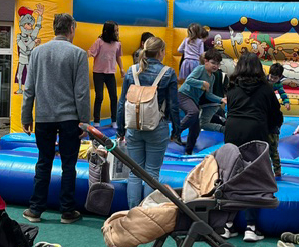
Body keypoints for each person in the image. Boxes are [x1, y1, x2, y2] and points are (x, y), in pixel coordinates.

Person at [21, 13, 90, 225]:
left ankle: (35, 209)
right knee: (69, 164)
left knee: (43, 161)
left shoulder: (37, 52)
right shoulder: (78, 54)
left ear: (54, 28)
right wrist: (85, 121)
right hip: (69, 117)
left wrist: (26, 115)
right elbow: (81, 92)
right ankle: (67, 210)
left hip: (43, 116)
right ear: (71, 29)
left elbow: (29, 88)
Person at [223, 53, 283, 242]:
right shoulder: (265, 89)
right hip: (255, 131)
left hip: (232, 130)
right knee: (253, 177)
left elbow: (230, 109)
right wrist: (269, 127)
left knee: (231, 175)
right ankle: (251, 226)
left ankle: (227, 224)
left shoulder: (232, 86)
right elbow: (276, 116)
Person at [117, 36, 181, 209]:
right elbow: (174, 105)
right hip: (157, 126)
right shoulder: (168, 73)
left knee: (135, 172)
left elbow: (122, 103)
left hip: (134, 126)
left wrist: (121, 129)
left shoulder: (132, 71)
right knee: (152, 173)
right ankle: (147, 213)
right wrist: (177, 131)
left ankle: (133, 211)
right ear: (161, 52)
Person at [177, 48, 226, 155]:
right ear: (206, 61)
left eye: (218, 64)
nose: (215, 66)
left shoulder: (212, 77)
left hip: (193, 99)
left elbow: (208, 94)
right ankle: (176, 132)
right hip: (184, 95)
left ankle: (188, 151)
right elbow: (189, 80)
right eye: (213, 63)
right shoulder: (200, 69)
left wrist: (221, 99)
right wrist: (202, 83)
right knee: (193, 112)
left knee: (196, 128)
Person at [88, 21, 124, 128]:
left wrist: (122, 69)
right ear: (107, 32)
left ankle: (114, 120)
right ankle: (96, 121)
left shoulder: (117, 44)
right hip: (98, 73)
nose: (117, 33)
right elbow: (91, 52)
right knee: (99, 96)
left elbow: (118, 57)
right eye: (115, 31)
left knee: (114, 97)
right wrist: (87, 54)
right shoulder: (99, 42)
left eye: (118, 30)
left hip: (110, 73)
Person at [266, 63, 290, 178]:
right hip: (265, 114)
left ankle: (277, 170)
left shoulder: (278, 84)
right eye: (271, 77)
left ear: (280, 77)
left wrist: (286, 102)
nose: (272, 79)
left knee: (273, 150)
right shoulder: (264, 81)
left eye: (275, 78)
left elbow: (282, 93)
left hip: (272, 123)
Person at [199, 54, 228, 133]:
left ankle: (224, 129)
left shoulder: (206, 74)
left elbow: (206, 92)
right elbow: (225, 89)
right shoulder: (222, 74)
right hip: (217, 102)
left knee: (204, 123)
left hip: (208, 102)